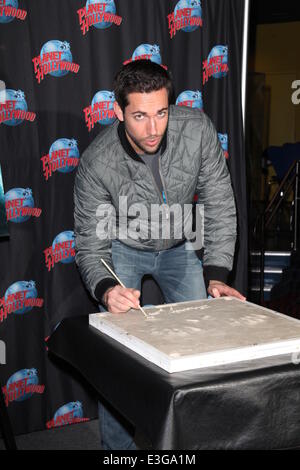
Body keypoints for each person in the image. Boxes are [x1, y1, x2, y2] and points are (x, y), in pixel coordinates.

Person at [74, 59, 245, 450]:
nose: (153, 129)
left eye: (161, 112)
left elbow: (219, 202)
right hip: (123, 248)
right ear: (118, 111)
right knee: (119, 360)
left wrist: (216, 273)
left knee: (201, 347)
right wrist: (105, 289)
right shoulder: (96, 163)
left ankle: (195, 442)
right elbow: (89, 240)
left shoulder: (196, 129)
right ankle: (119, 452)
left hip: (179, 246)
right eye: (139, 116)